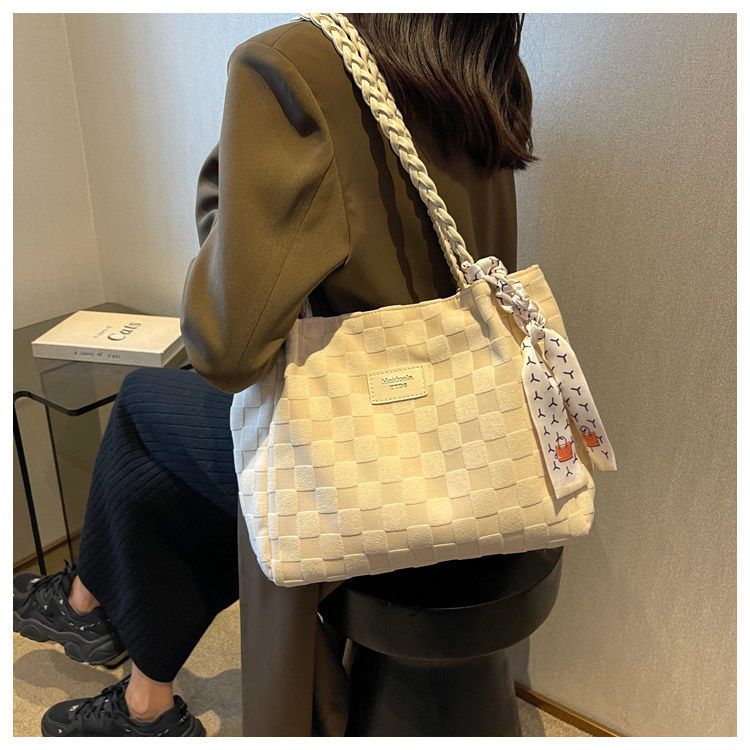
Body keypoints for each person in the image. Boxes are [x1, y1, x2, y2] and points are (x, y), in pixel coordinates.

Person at [12, 13, 534, 737]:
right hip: (462, 429)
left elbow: (225, 350)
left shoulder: (293, 64)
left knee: (143, 409)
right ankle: (125, 666)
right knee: (192, 437)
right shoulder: (478, 56)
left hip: (361, 455)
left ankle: (96, 617)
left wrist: (225, 197)